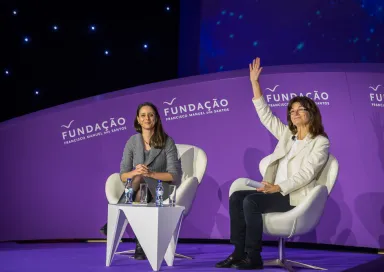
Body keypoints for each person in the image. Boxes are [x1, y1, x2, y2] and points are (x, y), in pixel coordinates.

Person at [215, 57, 330, 270]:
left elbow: (307, 173)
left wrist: (278, 187)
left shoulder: (320, 142)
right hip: (276, 191)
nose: (294, 114)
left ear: (310, 113)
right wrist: (254, 83)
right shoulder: (289, 135)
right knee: (237, 196)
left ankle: (254, 256)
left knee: (251, 202)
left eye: (300, 110)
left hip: (295, 196)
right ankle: (238, 253)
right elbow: (266, 117)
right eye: (292, 111)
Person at [100, 102, 182, 260]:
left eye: (151, 115)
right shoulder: (132, 141)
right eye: (143, 115)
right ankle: (141, 245)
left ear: (156, 118)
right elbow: (123, 175)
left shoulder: (167, 142)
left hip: (160, 189)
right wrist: (135, 172)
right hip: (138, 189)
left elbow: (174, 175)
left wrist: (150, 173)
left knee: (141, 179)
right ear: (138, 119)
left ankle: (114, 221)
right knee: (139, 187)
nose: (147, 118)